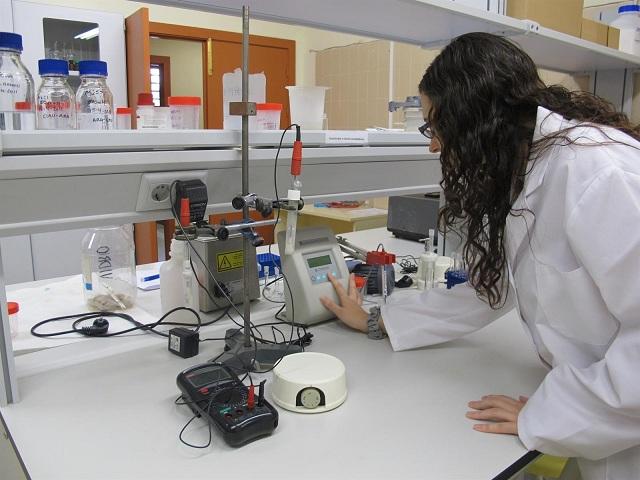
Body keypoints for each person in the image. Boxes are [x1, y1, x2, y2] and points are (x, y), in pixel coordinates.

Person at [320, 32, 640, 480]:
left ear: (475, 118)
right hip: (601, 412)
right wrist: (379, 321)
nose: (433, 145)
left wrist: (552, 414)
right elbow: (494, 287)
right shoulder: (529, 167)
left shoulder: (598, 172)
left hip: (625, 426)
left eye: (435, 126)